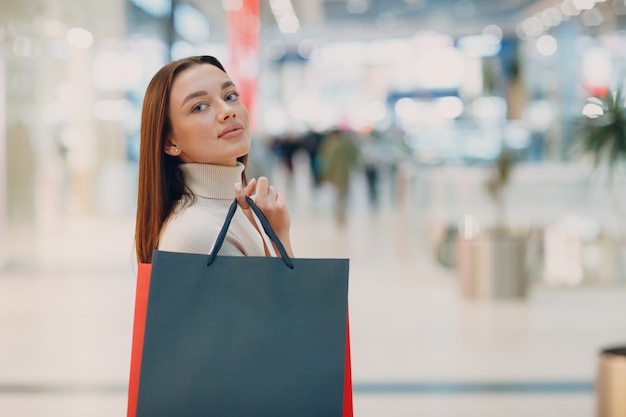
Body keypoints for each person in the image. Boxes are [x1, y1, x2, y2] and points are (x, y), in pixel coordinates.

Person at [134, 55, 293, 264]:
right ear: (169, 143)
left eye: (230, 96)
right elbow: (282, 296)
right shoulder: (197, 231)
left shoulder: (234, 212)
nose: (227, 111)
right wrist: (278, 238)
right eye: (199, 107)